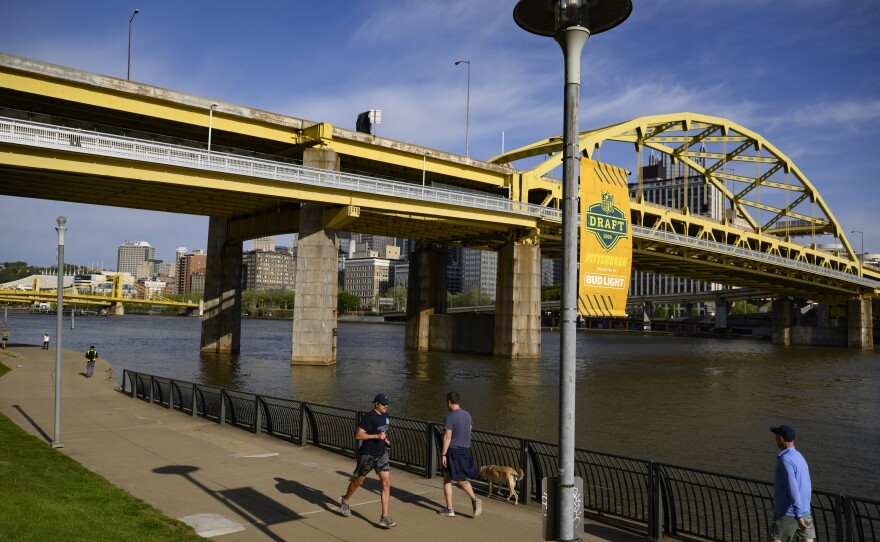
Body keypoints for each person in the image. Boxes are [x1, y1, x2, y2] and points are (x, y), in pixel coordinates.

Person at [339, 393, 396, 529]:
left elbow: (383, 432)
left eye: (387, 404)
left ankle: (384, 517)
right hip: (367, 454)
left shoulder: (385, 416)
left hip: (381, 453)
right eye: (383, 404)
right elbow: (358, 435)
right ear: (376, 404)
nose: (386, 406)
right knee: (359, 480)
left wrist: (385, 440)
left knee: (386, 483)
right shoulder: (368, 417)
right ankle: (345, 500)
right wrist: (376, 435)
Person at [437, 391, 482, 518]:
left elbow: (447, 437)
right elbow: (469, 430)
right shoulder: (467, 415)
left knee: (448, 478)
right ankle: (473, 498)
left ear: (449, 402)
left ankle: (450, 508)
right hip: (465, 449)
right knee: (461, 477)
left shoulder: (450, 416)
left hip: (453, 450)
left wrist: (443, 454)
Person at [769, 424, 815, 542]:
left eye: (776, 437)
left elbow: (792, 488)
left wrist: (798, 515)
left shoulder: (785, 460)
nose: (775, 439)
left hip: (788, 513)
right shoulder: (799, 456)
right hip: (805, 510)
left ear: (781, 439)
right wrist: (802, 512)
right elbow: (806, 485)